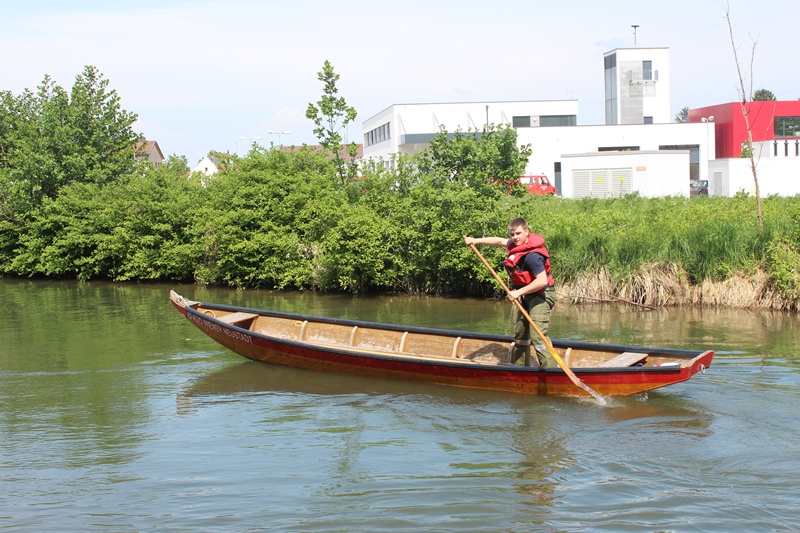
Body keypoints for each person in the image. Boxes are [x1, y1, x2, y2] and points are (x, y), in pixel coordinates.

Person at [464, 218, 557, 368]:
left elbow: (542, 281)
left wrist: (518, 292)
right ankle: (520, 369)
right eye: (512, 234)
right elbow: (499, 241)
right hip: (528, 295)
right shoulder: (514, 245)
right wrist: (476, 241)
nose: (515, 237)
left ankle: (550, 369)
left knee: (538, 335)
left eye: (518, 233)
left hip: (542, 295)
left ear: (527, 232)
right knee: (520, 333)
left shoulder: (532, 256)